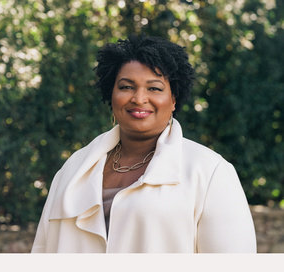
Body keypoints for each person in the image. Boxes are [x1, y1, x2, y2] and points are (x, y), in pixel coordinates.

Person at [31, 34, 256, 253]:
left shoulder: (209, 172)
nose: (139, 98)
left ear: (174, 99)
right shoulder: (74, 167)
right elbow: (42, 251)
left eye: (154, 88)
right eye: (127, 86)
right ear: (111, 94)